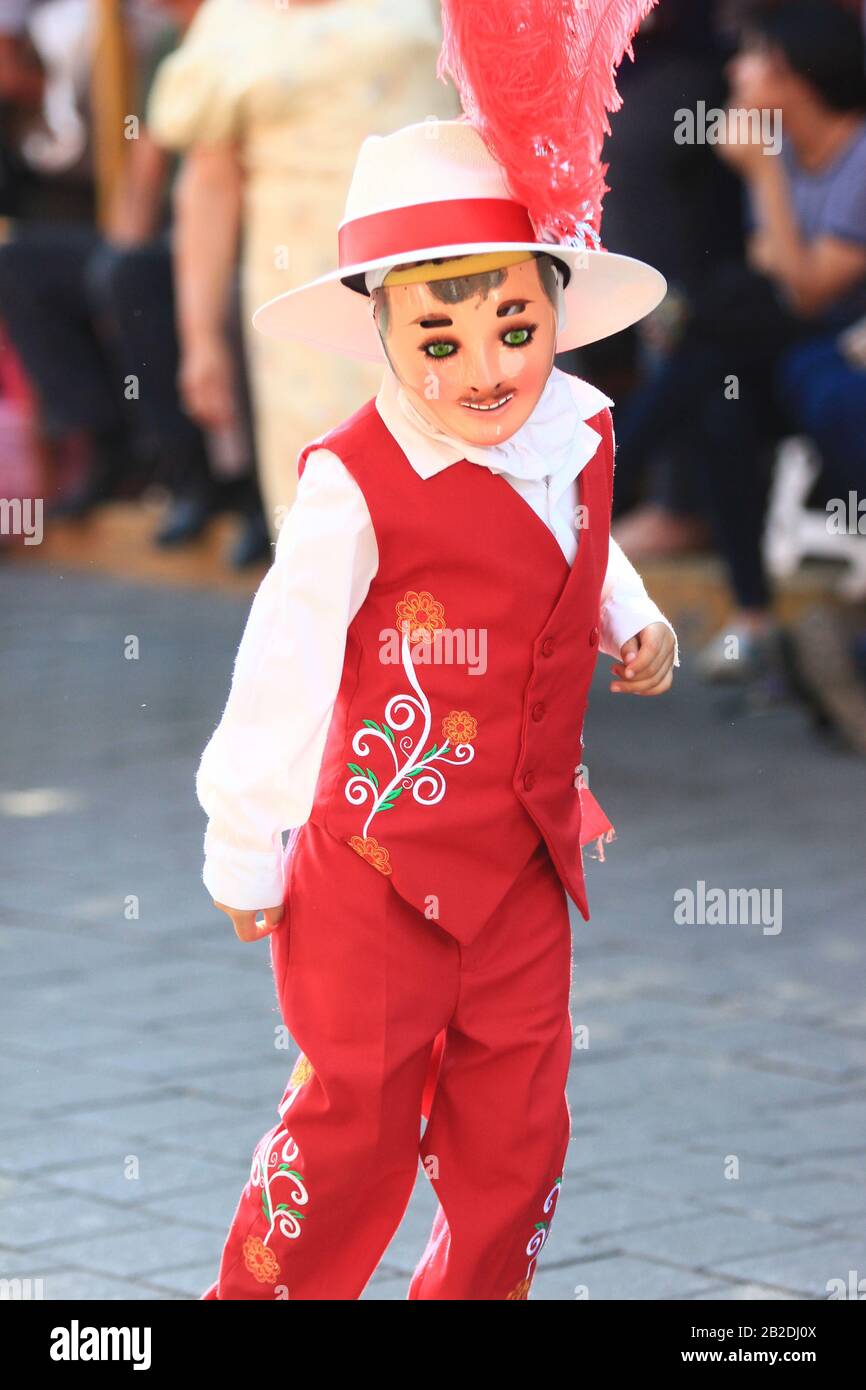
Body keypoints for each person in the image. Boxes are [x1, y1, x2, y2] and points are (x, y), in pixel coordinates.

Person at [194, 1, 678, 1300]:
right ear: (381, 329)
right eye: (440, 336)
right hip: (373, 871)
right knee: (350, 1133)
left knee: (515, 1139)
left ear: (553, 306)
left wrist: (628, 613)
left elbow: (573, 523)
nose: (483, 368)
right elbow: (282, 669)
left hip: (524, 859)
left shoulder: (574, 429)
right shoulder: (354, 483)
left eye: (513, 328)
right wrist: (247, 842)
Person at [612, 0, 866, 682]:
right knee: (714, 393)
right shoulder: (782, 148)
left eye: (754, 57)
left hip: (840, 351)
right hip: (795, 348)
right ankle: (754, 619)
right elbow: (772, 269)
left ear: (794, 76)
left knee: (707, 355)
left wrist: (762, 176)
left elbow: (809, 291)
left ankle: (599, 492)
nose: (736, 69)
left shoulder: (855, 157)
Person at [147, 0, 460, 542]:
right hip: (302, 305)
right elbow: (209, 189)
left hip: (447, 269)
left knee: (463, 483)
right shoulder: (229, 20)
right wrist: (200, 342)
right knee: (329, 508)